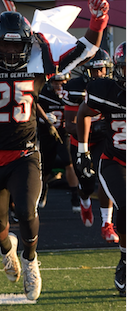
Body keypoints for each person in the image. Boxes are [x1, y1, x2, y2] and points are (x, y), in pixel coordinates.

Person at [0, 0, 109, 300]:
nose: (12, 51)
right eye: (6, 44)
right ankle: (8, 250)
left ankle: (30, 260)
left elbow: (86, 49)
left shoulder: (41, 62)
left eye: (17, 45)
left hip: (24, 153)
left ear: (28, 43)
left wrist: (98, 20)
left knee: (27, 210)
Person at [76, 41, 125, 297]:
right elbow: (83, 112)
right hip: (115, 160)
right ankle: (126, 262)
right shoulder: (106, 90)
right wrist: (82, 149)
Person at [63, 49, 118, 242]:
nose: (100, 74)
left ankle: (106, 224)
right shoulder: (75, 88)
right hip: (81, 141)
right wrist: (94, 129)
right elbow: (69, 125)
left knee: (105, 179)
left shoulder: (114, 87)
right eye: (95, 70)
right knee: (86, 183)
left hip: (105, 140)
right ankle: (84, 200)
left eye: (103, 69)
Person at [37, 72, 79, 210]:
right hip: (46, 134)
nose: (59, 85)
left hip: (63, 134)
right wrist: (43, 118)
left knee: (69, 163)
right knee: (46, 168)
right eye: (56, 82)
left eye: (62, 82)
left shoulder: (71, 95)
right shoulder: (43, 94)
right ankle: (43, 191)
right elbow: (32, 110)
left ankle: (75, 195)